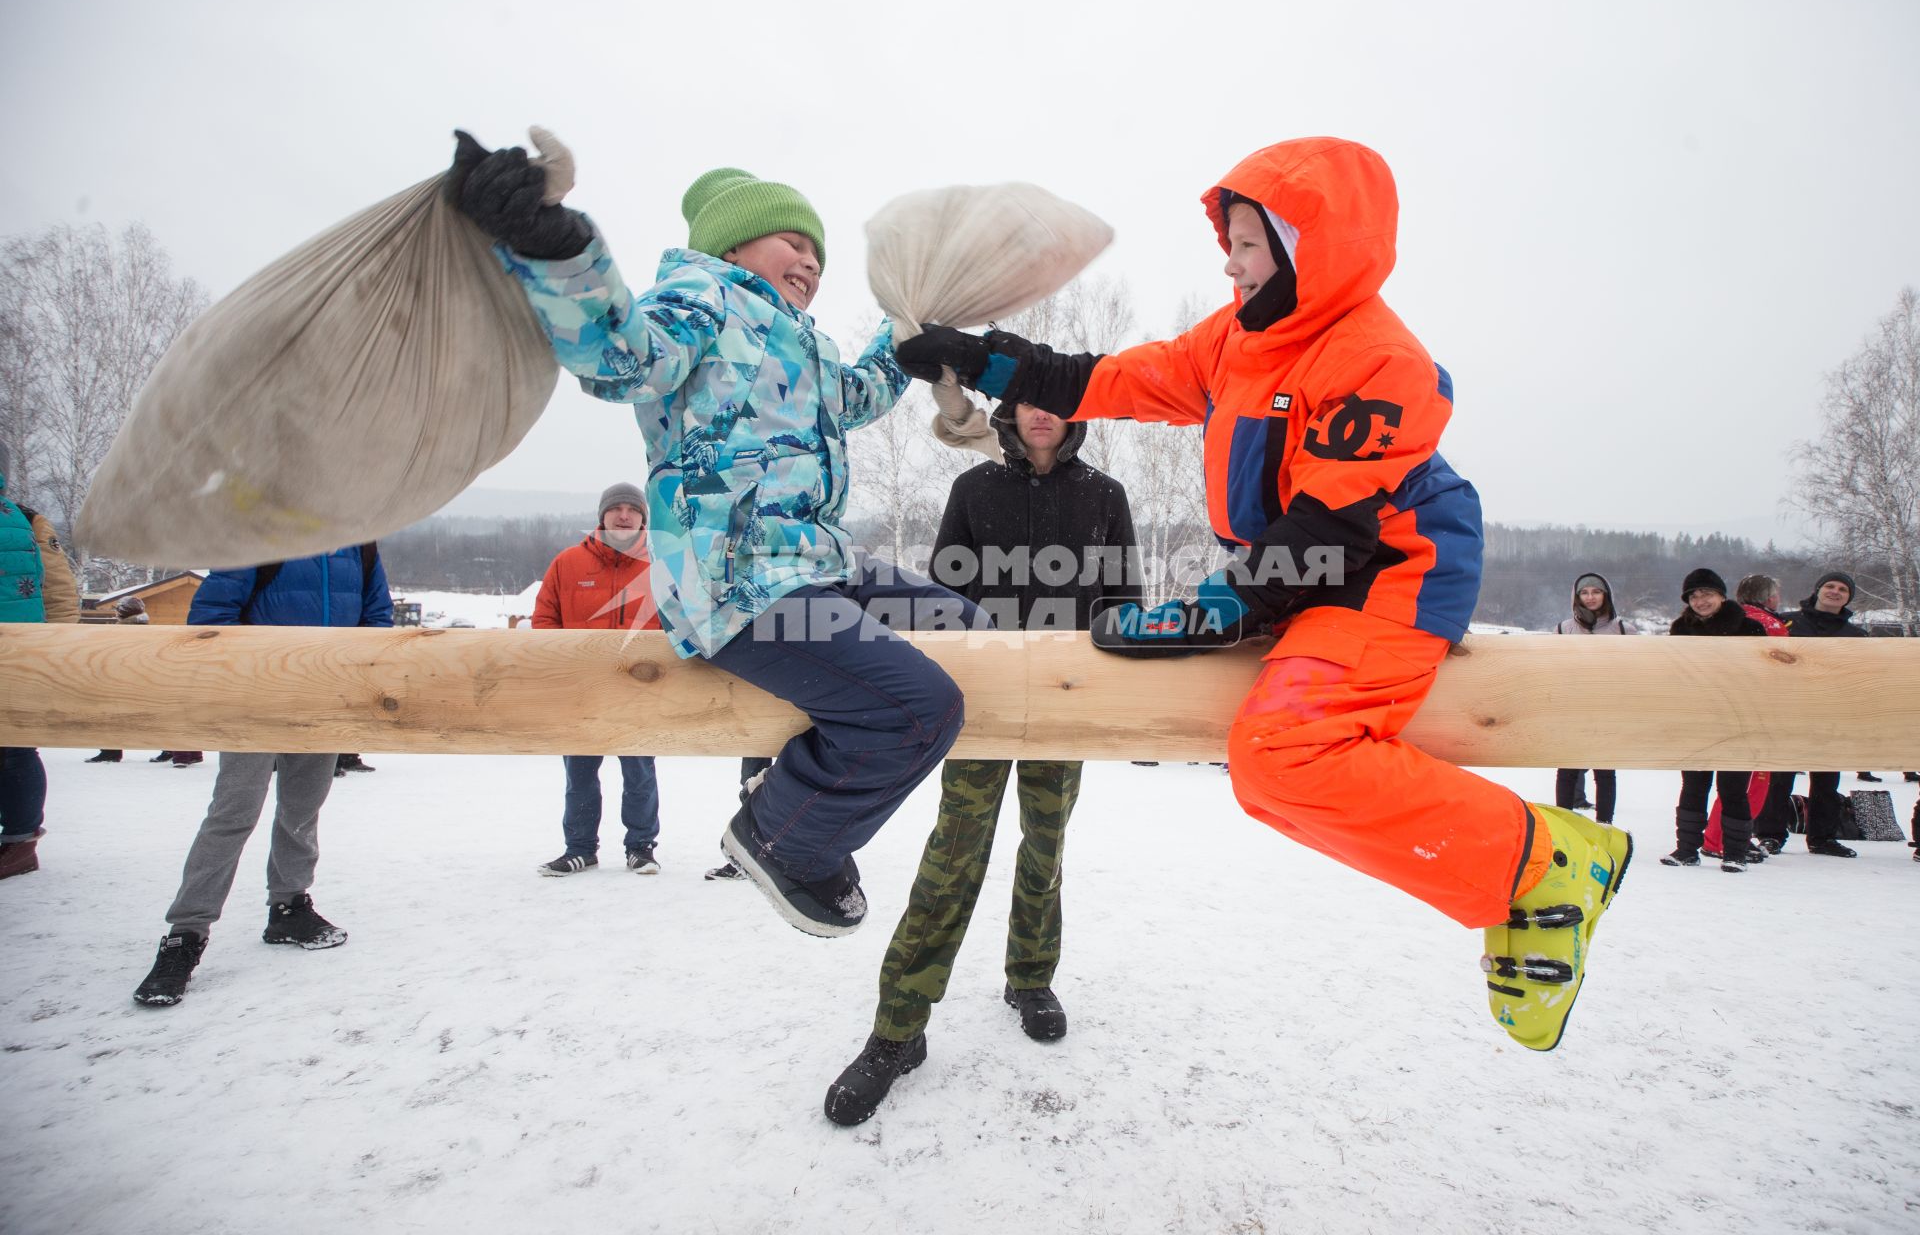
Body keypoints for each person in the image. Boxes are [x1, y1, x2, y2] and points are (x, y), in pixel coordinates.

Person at [894, 137, 1631, 1053]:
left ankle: (1545, 861)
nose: (1231, 262)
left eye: (1249, 243)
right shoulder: (1234, 341)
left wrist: (1217, 608)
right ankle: (1522, 886)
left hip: (1388, 576)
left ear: (1306, 247)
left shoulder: (1377, 359)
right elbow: (1111, 380)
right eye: (1232, 241)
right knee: (1265, 777)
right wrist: (985, 358)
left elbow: (1330, 530)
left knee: (1284, 754)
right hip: (1305, 577)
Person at [450, 136, 977, 936]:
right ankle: (783, 834)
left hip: (813, 563)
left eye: (818, 252)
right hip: (738, 581)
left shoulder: (800, 340)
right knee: (919, 707)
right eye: (792, 242)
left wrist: (907, 337)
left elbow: (861, 394)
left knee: (968, 627)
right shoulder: (702, 299)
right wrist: (555, 249)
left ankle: (812, 796)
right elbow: (625, 356)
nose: (810, 261)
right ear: (733, 245)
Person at [825, 399, 1140, 1125]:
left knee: (1046, 849)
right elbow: (942, 602)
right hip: (984, 705)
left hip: (1063, 707)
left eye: (1054, 403)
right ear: (1009, 415)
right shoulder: (975, 492)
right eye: (1028, 402)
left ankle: (1030, 979)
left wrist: (1108, 693)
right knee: (954, 854)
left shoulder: (1105, 496)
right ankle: (897, 1030)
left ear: (1074, 417)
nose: (1042, 415)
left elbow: (1124, 603)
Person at [132, 544, 395, 1007]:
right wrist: (253, 673)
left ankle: (289, 907)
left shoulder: (362, 543)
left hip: (324, 696)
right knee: (234, 811)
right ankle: (185, 934)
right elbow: (212, 615)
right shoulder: (262, 534)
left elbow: (377, 616)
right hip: (254, 696)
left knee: (302, 809)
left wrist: (356, 674)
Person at [530, 482, 665, 876]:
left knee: (639, 772)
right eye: (616, 508)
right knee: (580, 774)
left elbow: (682, 625)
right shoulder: (568, 563)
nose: (624, 515)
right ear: (602, 516)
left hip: (639, 691)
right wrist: (565, 668)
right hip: (582, 692)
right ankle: (580, 848)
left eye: (632, 509)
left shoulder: (662, 567)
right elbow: (544, 620)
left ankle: (641, 847)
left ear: (643, 518)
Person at [1657, 569, 1767, 872]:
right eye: (1693, 595)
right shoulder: (1680, 630)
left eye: (1706, 593)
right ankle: (1686, 849)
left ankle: (1736, 853)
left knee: (1732, 788)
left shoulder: (1749, 628)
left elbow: (1762, 674)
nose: (1700, 600)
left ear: (1721, 595)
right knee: (1693, 786)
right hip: (1696, 718)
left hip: (1738, 718)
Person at [1752, 572, 1868, 858]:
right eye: (1830, 586)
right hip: (1787, 710)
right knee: (1779, 777)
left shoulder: (1857, 635)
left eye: (1842, 589)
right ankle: (1770, 835)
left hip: (1831, 713)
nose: (1835, 591)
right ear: (1818, 590)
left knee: (1827, 780)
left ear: (1848, 597)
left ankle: (1822, 838)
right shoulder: (1787, 622)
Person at [1702, 574, 1787, 858]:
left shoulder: (1731, 618)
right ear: (1769, 597)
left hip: (1729, 710)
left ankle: (1722, 838)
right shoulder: (1768, 625)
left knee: (1733, 783)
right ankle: (1722, 840)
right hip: (1760, 711)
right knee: (1749, 785)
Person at [0, 439, 51, 881]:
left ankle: (17, 840)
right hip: (26, 646)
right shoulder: (20, 516)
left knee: (14, 751)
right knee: (16, 749)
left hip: (13, 643)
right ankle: (19, 841)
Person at [1552, 573, 1636, 824]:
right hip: (1573, 709)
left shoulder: (1623, 629)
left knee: (1605, 771)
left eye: (1596, 592)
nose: (1590, 597)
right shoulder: (1563, 629)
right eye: (1584, 592)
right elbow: (1551, 666)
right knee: (1567, 770)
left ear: (1605, 595)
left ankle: (1605, 825)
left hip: (1608, 709)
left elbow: (1639, 668)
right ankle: (1564, 823)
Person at [88, 596, 151, 763]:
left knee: (108, 714)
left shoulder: (123, 629)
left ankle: (110, 751)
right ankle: (172, 750)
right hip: (140, 677)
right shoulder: (145, 627)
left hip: (121, 677)